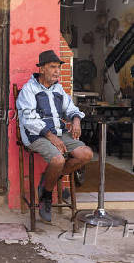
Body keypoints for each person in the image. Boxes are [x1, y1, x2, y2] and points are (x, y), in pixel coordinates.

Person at [16, 50, 93, 223]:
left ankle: (46, 183)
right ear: (42, 69)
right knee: (58, 160)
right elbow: (29, 120)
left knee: (86, 154)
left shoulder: (58, 89)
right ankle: (47, 196)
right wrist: (51, 137)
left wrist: (76, 121)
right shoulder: (29, 90)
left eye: (58, 67)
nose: (57, 71)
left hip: (59, 133)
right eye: (53, 67)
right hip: (37, 136)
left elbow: (71, 109)